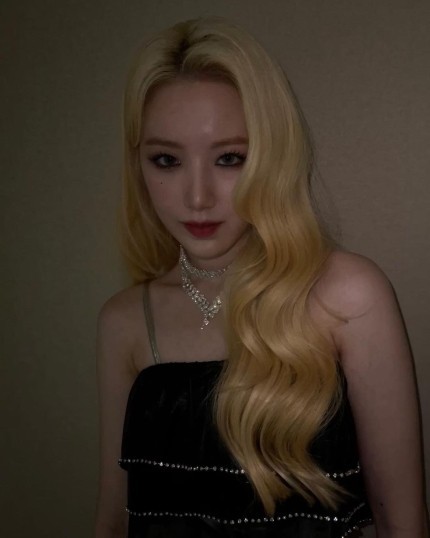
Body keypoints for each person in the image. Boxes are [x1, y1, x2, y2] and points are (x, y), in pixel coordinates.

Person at [94, 16, 428, 538]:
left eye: (230, 158)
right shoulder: (124, 321)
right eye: (166, 160)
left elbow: (403, 523)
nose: (198, 197)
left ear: (272, 158)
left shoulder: (348, 296)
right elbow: (115, 518)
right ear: (138, 165)